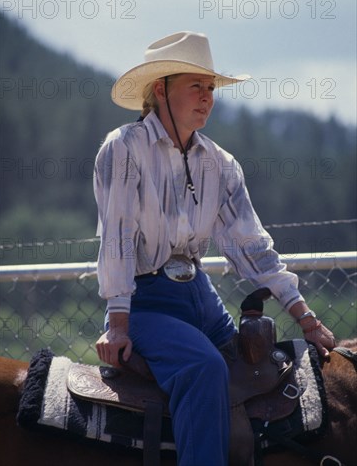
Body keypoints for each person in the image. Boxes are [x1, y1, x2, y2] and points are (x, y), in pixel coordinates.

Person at [94, 31, 335, 466]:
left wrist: (306, 318)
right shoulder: (124, 147)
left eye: (211, 89)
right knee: (204, 370)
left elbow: (252, 247)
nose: (207, 98)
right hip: (145, 300)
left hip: (200, 296)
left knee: (266, 369)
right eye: (196, 87)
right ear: (160, 89)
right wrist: (118, 322)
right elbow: (117, 237)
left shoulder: (221, 164)